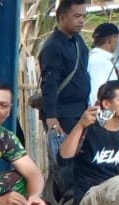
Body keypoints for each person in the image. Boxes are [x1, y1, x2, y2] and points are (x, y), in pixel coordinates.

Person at [39, 1, 91, 139]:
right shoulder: (53, 46)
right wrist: (51, 116)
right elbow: (49, 82)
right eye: (77, 16)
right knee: (66, 157)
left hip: (81, 110)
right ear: (62, 18)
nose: (81, 20)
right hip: (63, 114)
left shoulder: (78, 40)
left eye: (83, 16)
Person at [86, 23, 119, 104]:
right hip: (103, 114)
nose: (118, 41)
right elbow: (97, 94)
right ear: (110, 40)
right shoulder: (99, 61)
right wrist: (105, 116)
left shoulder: (100, 59)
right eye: (116, 37)